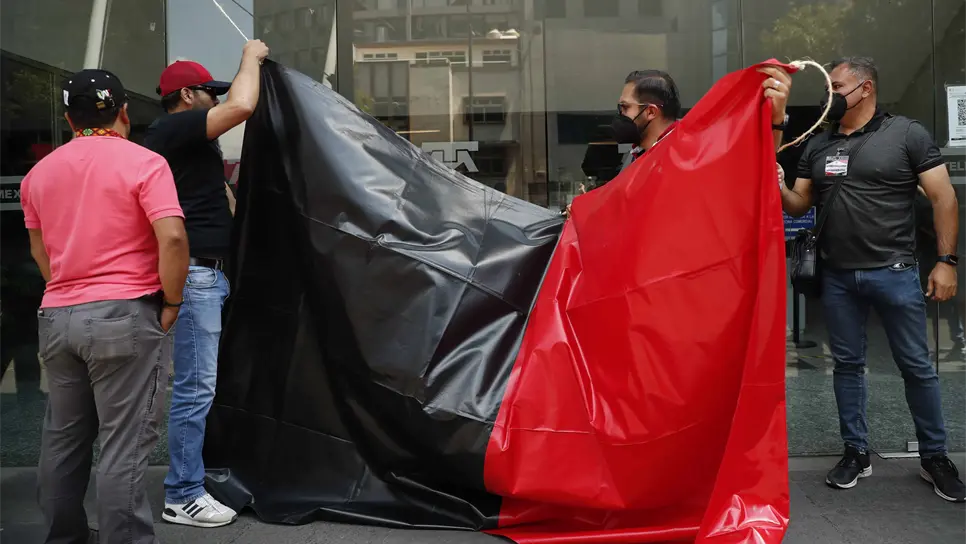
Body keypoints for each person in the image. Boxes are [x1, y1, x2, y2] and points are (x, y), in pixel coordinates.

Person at [780, 56, 966, 502]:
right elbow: (797, 205)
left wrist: (946, 261)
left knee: (918, 368)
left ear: (865, 88)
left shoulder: (906, 134)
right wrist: (777, 185)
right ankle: (856, 452)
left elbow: (944, 198)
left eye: (837, 86)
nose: (830, 96)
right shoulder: (819, 145)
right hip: (839, 277)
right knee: (846, 367)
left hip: (895, 272)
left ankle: (935, 457)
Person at [22, 69, 189, 544]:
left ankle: (64, 538)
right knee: (125, 444)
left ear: (69, 118)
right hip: (124, 313)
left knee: (63, 440)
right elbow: (173, 236)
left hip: (58, 316)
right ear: (123, 111)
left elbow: (41, 253)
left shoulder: (39, 174)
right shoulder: (145, 163)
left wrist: (68, 292)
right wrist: (172, 300)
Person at [144, 39, 269, 528]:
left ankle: (189, 484)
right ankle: (183, 494)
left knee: (200, 388)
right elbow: (242, 104)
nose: (216, 101)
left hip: (206, 276)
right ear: (189, 96)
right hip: (195, 276)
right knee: (195, 390)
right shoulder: (174, 129)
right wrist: (249, 58)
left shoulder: (184, 141)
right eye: (209, 94)